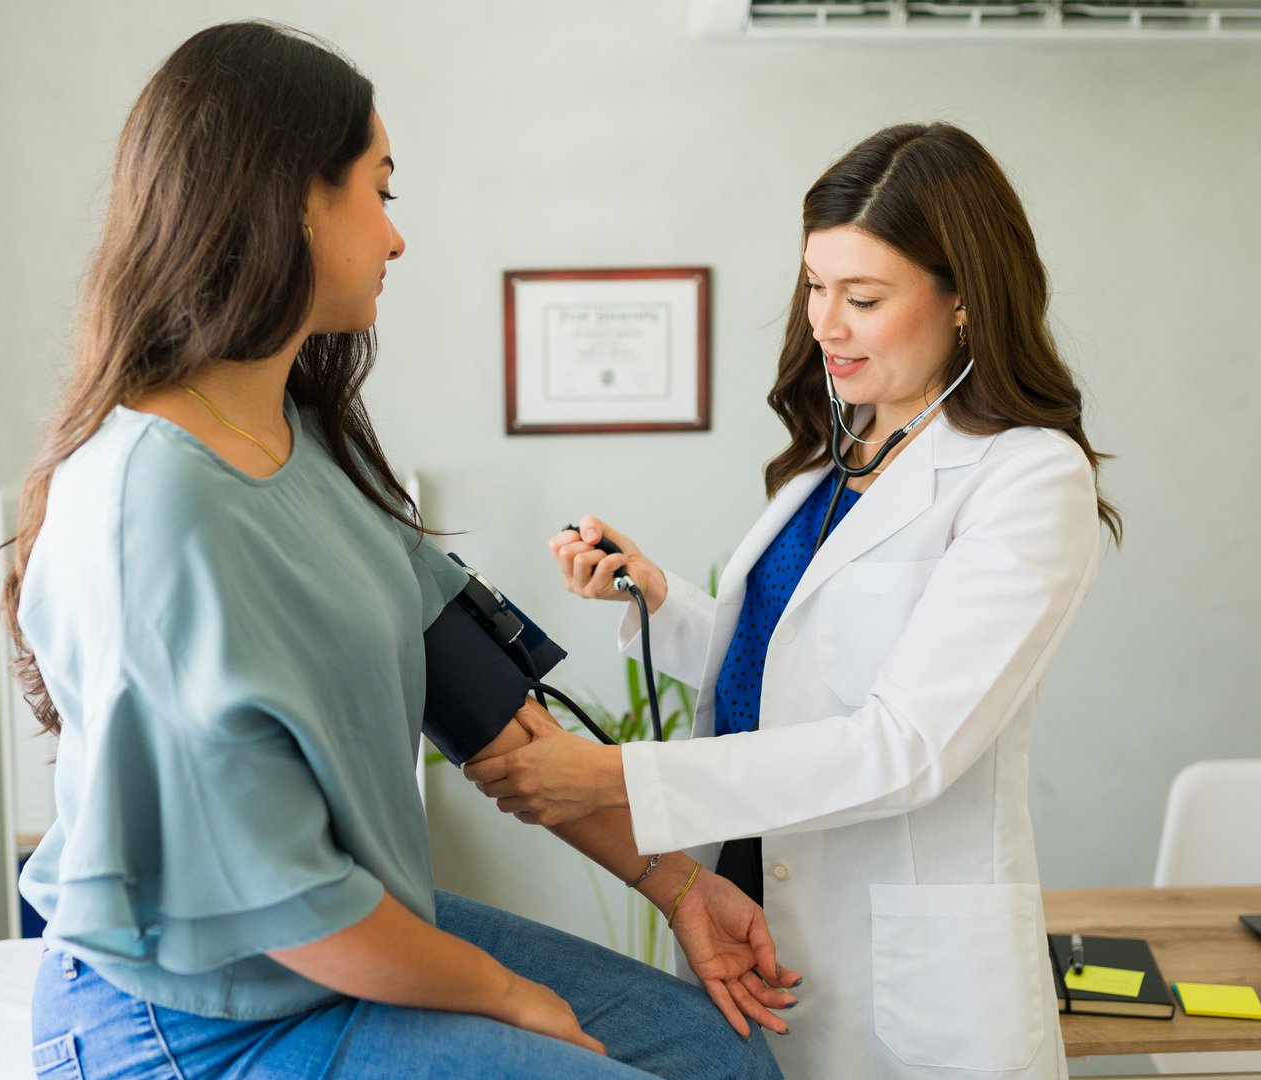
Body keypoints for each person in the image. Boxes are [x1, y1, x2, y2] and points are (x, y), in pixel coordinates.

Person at [2, 21, 786, 1079]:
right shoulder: (152, 508)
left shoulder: (299, 436)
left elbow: (488, 715)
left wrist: (680, 887)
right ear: (289, 198)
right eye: (381, 191)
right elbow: (279, 902)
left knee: (719, 1059)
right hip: (195, 1018)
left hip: (332, 945)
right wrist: (510, 998)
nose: (395, 237)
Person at [465, 122, 1122, 1079]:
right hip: (745, 904)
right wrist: (663, 601)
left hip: (900, 972)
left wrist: (618, 778)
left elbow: (907, 745)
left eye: (863, 297)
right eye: (816, 286)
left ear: (968, 298)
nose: (824, 322)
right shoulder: (836, 449)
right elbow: (787, 664)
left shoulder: (1026, 479)